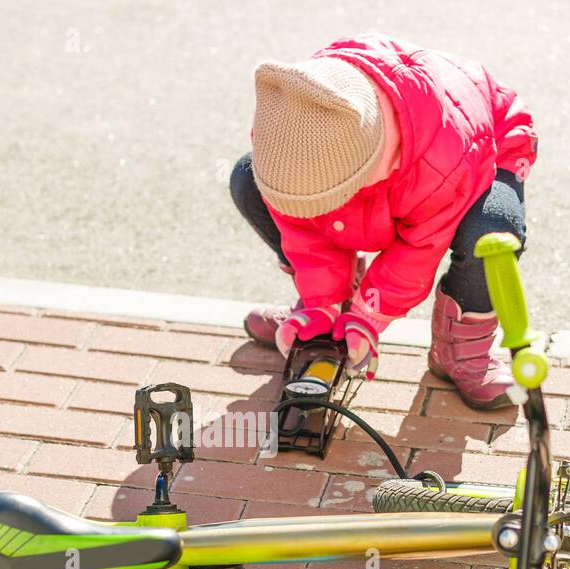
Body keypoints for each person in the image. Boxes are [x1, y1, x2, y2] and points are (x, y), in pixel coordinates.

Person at [229, 33, 537, 409]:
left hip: (477, 150)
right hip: (380, 158)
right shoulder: (292, 129)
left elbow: (418, 250)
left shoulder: (439, 162)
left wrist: (368, 317)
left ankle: (459, 350)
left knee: (492, 229)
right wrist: (323, 302)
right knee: (248, 180)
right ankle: (327, 309)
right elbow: (301, 226)